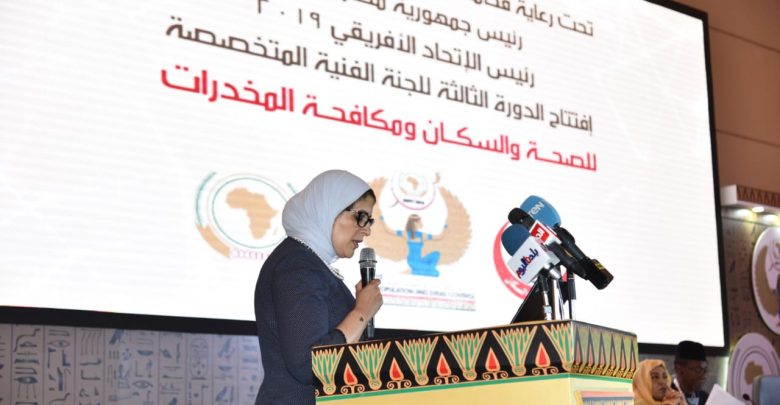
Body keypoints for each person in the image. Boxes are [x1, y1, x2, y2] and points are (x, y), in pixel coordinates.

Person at [253, 170, 383, 405]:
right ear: (329, 207)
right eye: (361, 217)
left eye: (369, 220)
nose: (367, 230)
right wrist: (361, 312)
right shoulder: (297, 265)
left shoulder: (307, 262)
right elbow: (309, 364)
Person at [671, 340, 710, 405]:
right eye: (698, 370)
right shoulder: (665, 397)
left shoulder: (706, 398)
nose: (703, 375)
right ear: (679, 369)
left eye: (705, 370)